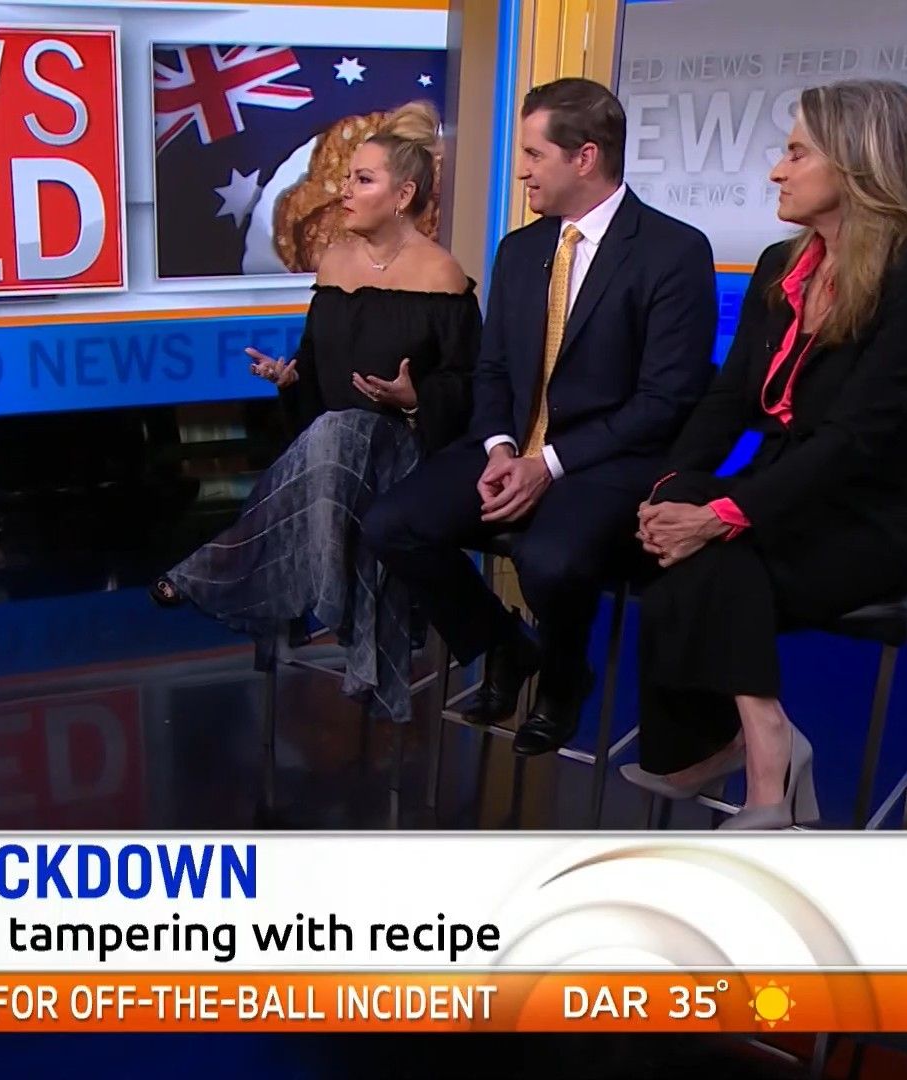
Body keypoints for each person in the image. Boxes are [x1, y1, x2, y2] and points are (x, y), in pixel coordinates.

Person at [620, 79, 907, 829]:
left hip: (873, 513)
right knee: (668, 537)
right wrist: (669, 491)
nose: (778, 170)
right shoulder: (781, 263)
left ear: (860, 163)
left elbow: (856, 438)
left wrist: (721, 515)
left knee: (710, 557)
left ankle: (761, 759)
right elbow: (727, 399)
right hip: (785, 487)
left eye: (798, 152)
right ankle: (742, 741)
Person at [364, 78, 717, 755]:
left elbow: (665, 400)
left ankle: (563, 679)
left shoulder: (673, 252)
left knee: (548, 561)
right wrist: (501, 447)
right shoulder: (520, 250)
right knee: (391, 524)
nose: (521, 170)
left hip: (605, 460)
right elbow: (494, 369)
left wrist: (547, 464)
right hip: (511, 445)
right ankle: (502, 645)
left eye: (533, 154)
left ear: (585, 157)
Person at [150, 101, 480, 723]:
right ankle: (320, 588)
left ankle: (225, 567)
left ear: (403, 195)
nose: (343, 191)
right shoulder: (333, 263)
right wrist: (291, 377)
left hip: (406, 452)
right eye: (347, 176)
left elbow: (470, 386)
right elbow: (317, 362)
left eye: (362, 180)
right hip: (331, 456)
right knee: (334, 431)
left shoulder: (442, 276)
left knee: (340, 431)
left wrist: (416, 398)